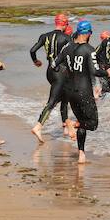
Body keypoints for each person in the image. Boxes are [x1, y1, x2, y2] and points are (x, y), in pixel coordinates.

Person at [55, 21, 108, 164]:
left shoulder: (67, 48)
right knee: (92, 124)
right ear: (88, 33)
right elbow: (95, 71)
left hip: (70, 91)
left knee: (83, 121)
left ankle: (81, 154)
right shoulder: (89, 50)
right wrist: (108, 72)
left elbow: (54, 64)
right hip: (83, 92)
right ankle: (72, 123)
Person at [30, 14, 73, 142]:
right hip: (61, 72)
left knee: (64, 98)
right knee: (52, 101)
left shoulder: (44, 36)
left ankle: (66, 127)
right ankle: (38, 126)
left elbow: (32, 50)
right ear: (64, 24)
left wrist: (36, 61)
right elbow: (70, 56)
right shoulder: (66, 38)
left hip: (49, 71)